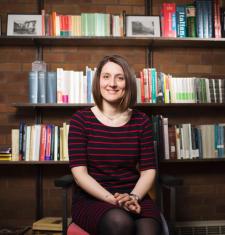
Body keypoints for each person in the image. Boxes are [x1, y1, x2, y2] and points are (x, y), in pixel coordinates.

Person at [68, 55, 162, 235]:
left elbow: (148, 170)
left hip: (134, 194)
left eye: (120, 78)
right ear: (98, 82)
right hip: (92, 198)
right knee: (120, 223)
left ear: (127, 84)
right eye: (106, 77)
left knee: (149, 231)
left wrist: (133, 197)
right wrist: (114, 201)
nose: (112, 83)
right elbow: (80, 174)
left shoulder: (141, 121)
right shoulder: (81, 120)